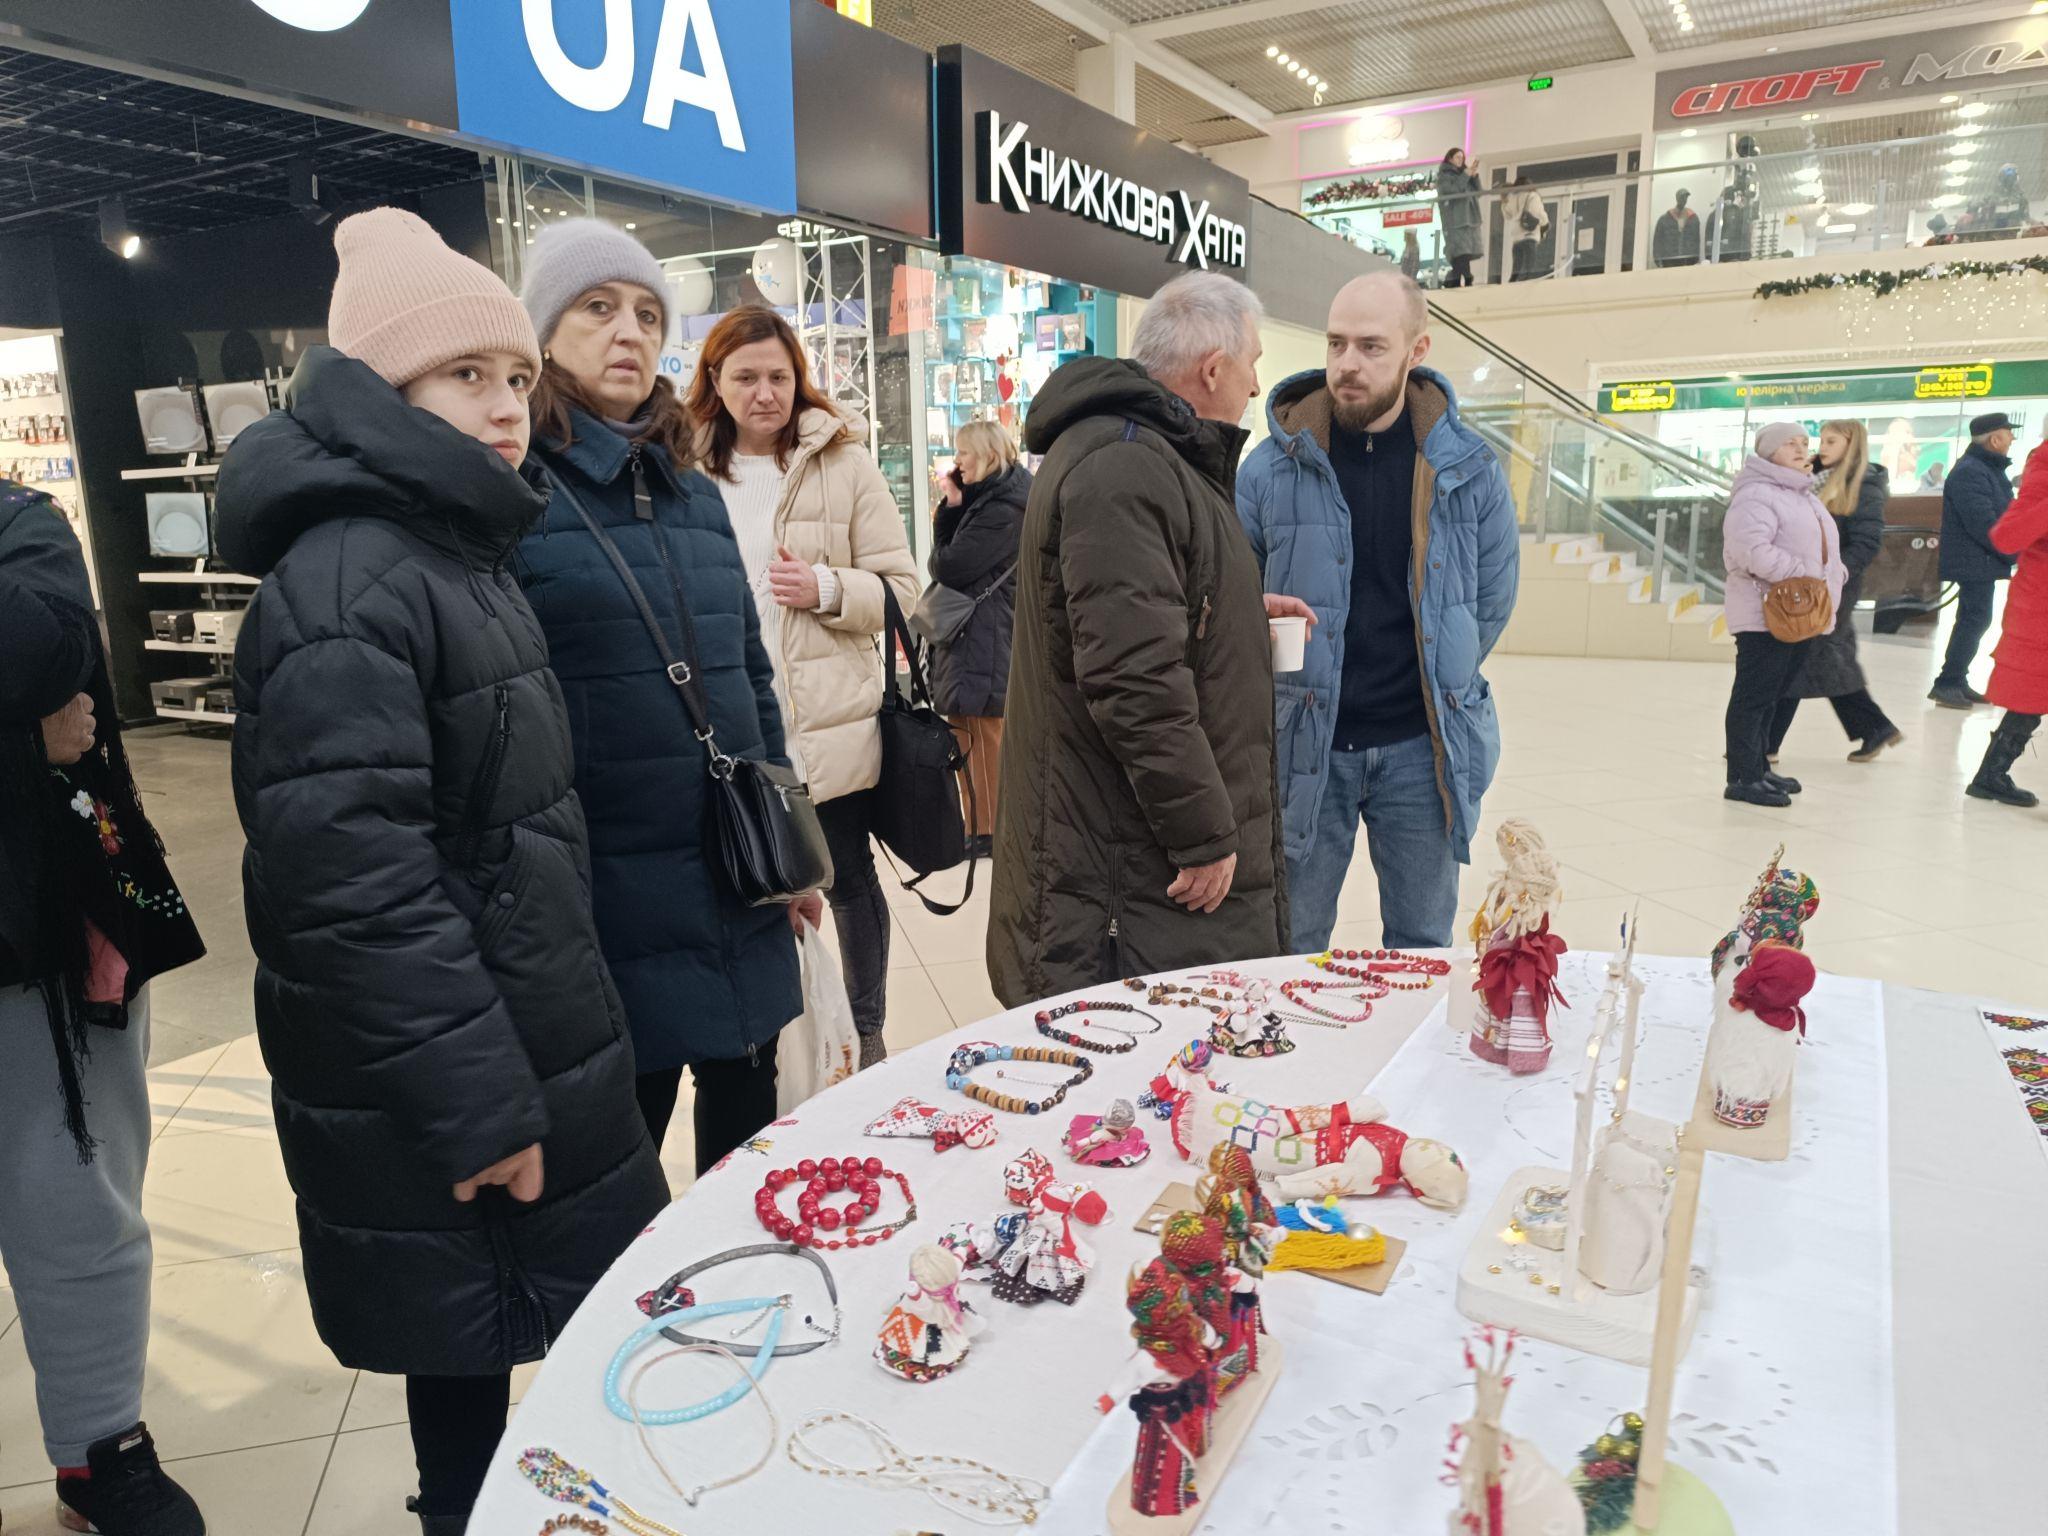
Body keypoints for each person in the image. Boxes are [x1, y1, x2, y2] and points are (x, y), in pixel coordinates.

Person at [217, 209, 667, 1535]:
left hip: (504, 1036)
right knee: (467, 1364)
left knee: (497, 1346)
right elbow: (350, 882)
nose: (508, 405)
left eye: (518, 377)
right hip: (448, 1075)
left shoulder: (450, 552)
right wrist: (477, 1103)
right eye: (467, 376)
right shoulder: (353, 578)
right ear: (380, 387)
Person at [514, 219, 804, 1168]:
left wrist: (789, 844)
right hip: (609, 890)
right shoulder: (516, 492)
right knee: (618, 1160)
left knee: (748, 1151)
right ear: (545, 333)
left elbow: (749, 672)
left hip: (732, 869)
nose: (628, 332)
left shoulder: (692, 490)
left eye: (646, 312)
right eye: (597, 308)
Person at [989, 271, 1291, 1005]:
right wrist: (1203, 835)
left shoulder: (1145, 456)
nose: (1256, 387)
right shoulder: (1126, 466)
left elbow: (1143, 612)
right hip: (1126, 883)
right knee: (1138, 1097)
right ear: (1213, 368)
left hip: (1123, 866)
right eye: (1252, 363)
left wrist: (1242, 608)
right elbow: (1133, 679)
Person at [2, 482, 207, 1536]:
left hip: (35, 947)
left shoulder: (18, 522)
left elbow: (43, 652)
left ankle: (99, 1448)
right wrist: (16, 745)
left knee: (76, 1206)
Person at [1237, 271, 1519, 952]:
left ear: (1416, 350)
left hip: (1422, 748)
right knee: (1291, 942)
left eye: (1371, 347)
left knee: (1422, 944)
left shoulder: (1469, 469)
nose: (1347, 366)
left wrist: (1435, 666)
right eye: (1336, 345)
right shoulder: (1269, 469)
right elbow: (1234, 599)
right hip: (1305, 745)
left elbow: (1490, 601)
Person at [685, 305, 918, 1071]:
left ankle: (868, 1034)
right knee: (742, 883)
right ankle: (767, 1037)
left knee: (847, 882)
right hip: (726, 725)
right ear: (715, 383)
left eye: (779, 376)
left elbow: (903, 591)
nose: (764, 393)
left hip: (829, 722)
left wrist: (823, 585)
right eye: (745, 377)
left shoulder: (841, 461)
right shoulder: (683, 470)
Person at [1719, 422, 1848, 808]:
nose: (1800, 449)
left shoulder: (1802, 493)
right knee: (1754, 696)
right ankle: (1742, 777)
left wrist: (1834, 576)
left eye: (1803, 443)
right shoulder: (1757, 494)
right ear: (1768, 451)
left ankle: (1759, 767)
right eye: (1789, 443)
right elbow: (1749, 551)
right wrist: (1802, 575)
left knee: (1775, 694)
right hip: (1766, 613)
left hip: (1800, 609)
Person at [1768, 420, 1904, 763]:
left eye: (1832, 441)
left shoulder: (1865, 485)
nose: (1822, 447)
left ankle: (1766, 743)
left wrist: (1835, 575)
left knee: (1804, 654)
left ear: (1851, 445)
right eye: (1822, 440)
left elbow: (1867, 541)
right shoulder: (1813, 479)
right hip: (1807, 583)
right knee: (1824, 656)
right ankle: (1876, 728)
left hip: (1834, 586)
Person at [928, 418, 1030, 855]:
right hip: (972, 635)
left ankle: (989, 831)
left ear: (986, 454)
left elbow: (949, 567)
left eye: (963, 452)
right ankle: (976, 827)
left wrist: (952, 509)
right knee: (966, 732)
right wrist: (952, 504)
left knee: (984, 735)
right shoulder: (987, 501)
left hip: (986, 638)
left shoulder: (1003, 508)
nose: (957, 462)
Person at [1971, 433, 2048, 807]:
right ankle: (1990, 775)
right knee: (2031, 694)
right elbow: (2008, 537)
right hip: (2041, 607)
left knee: (2031, 696)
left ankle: (1990, 775)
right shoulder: (2042, 470)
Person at [1933, 411, 2017, 707]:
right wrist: (2011, 550)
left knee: (1974, 619)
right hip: (1974, 559)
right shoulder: (1972, 470)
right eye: (2009, 433)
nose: (2012, 439)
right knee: (1975, 619)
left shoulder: (1986, 468)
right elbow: (1983, 522)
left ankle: (1955, 679)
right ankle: (1947, 682)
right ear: (1995, 438)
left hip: (1980, 558)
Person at [1435, 148, 1482, 288]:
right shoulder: (1445, 175)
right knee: (1460, 251)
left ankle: (1458, 278)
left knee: (1465, 251)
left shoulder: (1464, 174)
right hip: (1456, 219)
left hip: (1469, 217)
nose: (1460, 160)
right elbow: (1451, 191)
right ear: (1449, 158)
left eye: (1462, 157)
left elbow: (1478, 192)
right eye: (1457, 157)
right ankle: (1465, 277)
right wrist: (1466, 175)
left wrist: (1474, 176)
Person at [1502, 175, 1549, 283]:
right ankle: (1526, 287)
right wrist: (1545, 223)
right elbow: (1537, 213)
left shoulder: (1512, 198)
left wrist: (1504, 201)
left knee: (1516, 267)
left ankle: (1512, 284)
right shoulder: (1532, 196)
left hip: (1516, 238)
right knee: (1529, 267)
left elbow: (1507, 215)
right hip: (1529, 235)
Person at [1653, 188, 1702, 267]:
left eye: (1686, 197)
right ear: (1677, 198)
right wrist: (1658, 261)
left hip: (1688, 262)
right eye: (1682, 197)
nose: (1684, 199)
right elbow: (1657, 242)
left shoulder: (1693, 219)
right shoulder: (1664, 219)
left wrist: (1695, 259)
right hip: (1669, 262)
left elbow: (1696, 240)